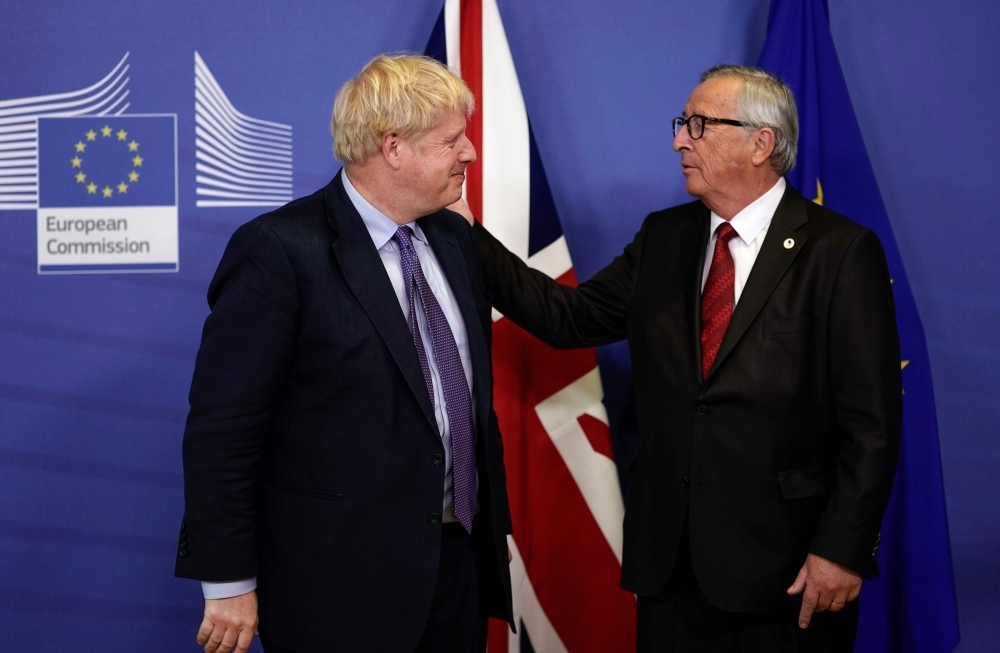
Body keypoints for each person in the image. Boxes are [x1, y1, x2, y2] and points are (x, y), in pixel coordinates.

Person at [449, 65, 901, 652]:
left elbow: (872, 425)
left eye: (697, 125)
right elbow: (571, 319)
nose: (678, 141)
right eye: (681, 124)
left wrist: (842, 548)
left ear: (760, 143)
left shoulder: (838, 251)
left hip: (787, 571)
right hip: (671, 566)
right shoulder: (666, 237)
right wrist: (468, 234)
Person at [175, 54, 513, 653]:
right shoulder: (280, 251)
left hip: (455, 570)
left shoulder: (456, 239)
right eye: (452, 140)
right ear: (393, 148)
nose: (469, 154)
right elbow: (223, 430)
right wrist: (227, 579)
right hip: (335, 585)